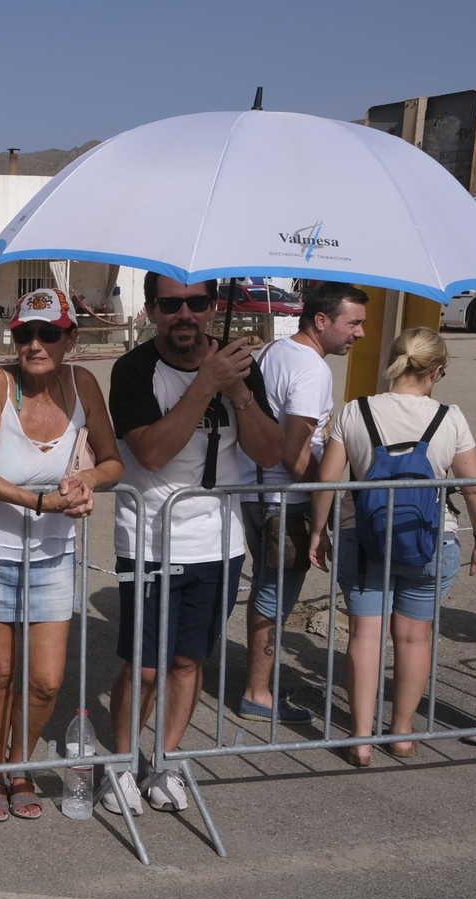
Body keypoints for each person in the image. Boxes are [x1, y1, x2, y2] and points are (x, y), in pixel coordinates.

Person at [0, 289, 122, 822]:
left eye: (47, 333)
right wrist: (38, 501)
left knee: (46, 680)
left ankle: (21, 762)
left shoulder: (82, 383)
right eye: (23, 334)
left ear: (70, 338)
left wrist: (84, 481)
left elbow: (112, 462)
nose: (34, 344)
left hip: (52, 554)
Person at [103, 273, 282, 816]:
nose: (185, 315)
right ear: (152, 310)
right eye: (171, 305)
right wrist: (205, 384)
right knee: (146, 664)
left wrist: (240, 395)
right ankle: (120, 764)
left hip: (218, 541)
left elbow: (271, 454)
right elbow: (152, 453)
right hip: (151, 540)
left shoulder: (241, 368)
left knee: (186, 659)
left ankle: (165, 760)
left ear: (211, 308)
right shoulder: (132, 369)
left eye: (197, 303)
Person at [308, 327, 476, 766]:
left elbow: (327, 481)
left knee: (365, 635)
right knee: (413, 637)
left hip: (363, 537)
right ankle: (404, 732)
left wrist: (319, 531)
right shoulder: (450, 417)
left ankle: (360, 737)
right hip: (430, 540)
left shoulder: (355, 412)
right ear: (437, 371)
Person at [235, 283, 367, 723]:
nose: (361, 333)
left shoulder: (276, 350)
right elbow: (295, 455)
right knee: (275, 597)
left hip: (255, 490)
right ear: (322, 321)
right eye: (355, 323)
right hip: (283, 501)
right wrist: (324, 498)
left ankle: (260, 683)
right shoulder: (313, 371)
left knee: (267, 593)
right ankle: (257, 693)